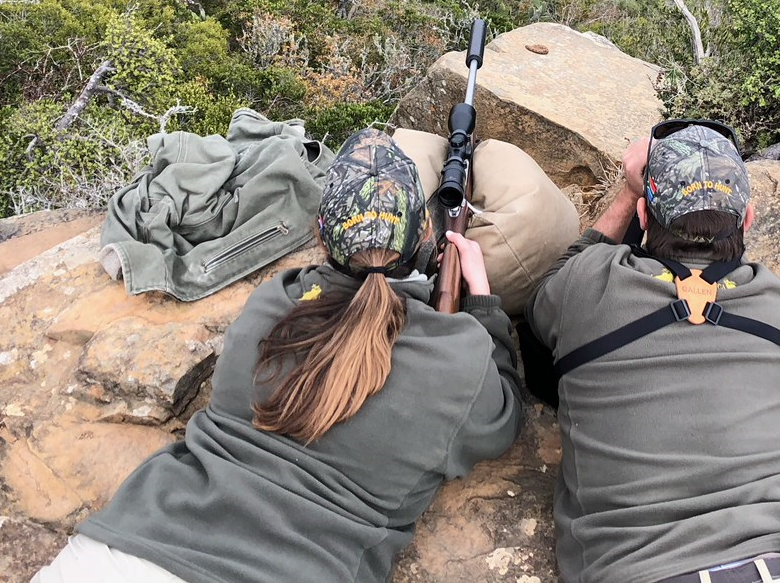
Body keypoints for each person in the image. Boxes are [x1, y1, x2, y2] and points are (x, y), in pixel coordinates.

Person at [34, 127, 522, 583]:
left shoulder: (272, 302)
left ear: (320, 234)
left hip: (120, 553)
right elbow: (503, 420)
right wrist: (481, 306)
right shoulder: (458, 360)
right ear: (426, 239)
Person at [527, 120, 780, 583]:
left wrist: (627, 191)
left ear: (644, 215)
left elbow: (549, 288)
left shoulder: (587, 289)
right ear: (747, 219)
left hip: (640, 569)